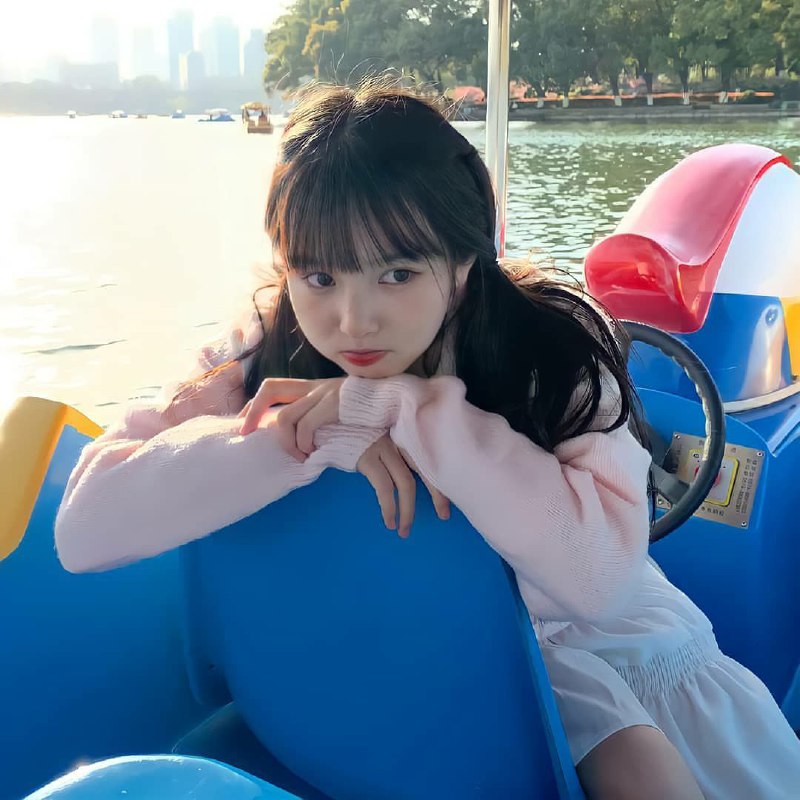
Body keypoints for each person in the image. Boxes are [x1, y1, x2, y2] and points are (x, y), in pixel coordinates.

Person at [55, 80, 800, 800]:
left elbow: (600, 583)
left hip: (581, 635)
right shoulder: (259, 349)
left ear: (465, 262)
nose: (354, 321)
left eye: (398, 273)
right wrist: (298, 435)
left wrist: (398, 407)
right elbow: (84, 530)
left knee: (644, 773)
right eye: (319, 277)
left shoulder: (555, 351)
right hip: (375, 632)